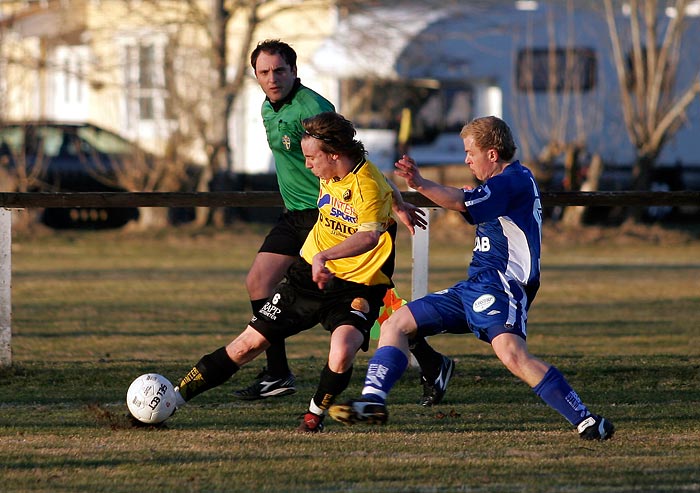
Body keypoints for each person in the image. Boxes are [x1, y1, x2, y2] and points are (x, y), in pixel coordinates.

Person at [329, 116, 615, 441]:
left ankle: (587, 420)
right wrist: (444, 188)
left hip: (502, 286)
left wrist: (420, 183)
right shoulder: (500, 184)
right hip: (473, 287)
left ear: (492, 154)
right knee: (396, 324)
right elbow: (468, 202)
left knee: (512, 354)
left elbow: (460, 201)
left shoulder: (513, 180)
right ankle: (373, 401)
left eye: (470, 152)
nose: (466, 159)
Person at [171, 111, 401, 432]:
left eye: (311, 158)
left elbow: (369, 235)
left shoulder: (367, 187)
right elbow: (382, 181)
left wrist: (326, 256)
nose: (308, 165)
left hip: (357, 285)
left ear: (334, 155)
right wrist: (399, 201)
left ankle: (313, 416)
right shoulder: (334, 171)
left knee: (342, 350)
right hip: (305, 278)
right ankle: (173, 398)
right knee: (245, 346)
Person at [234, 40, 426, 401]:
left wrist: (394, 201)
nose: (272, 78)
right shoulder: (267, 108)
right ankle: (277, 374)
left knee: (368, 297)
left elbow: (354, 158)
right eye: (264, 72)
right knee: (259, 282)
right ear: (255, 75)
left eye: (279, 70)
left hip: (326, 214)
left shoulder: (313, 108)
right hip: (295, 213)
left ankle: (429, 361)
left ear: (294, 71)